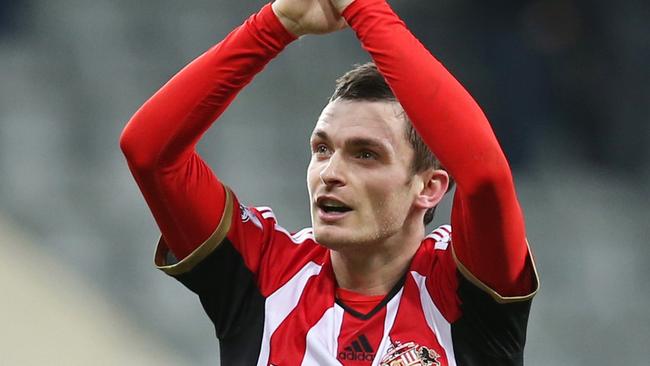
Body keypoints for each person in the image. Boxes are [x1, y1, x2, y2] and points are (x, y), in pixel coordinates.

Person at [120, 0, 539, 364]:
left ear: (429, 188)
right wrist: (275, 25)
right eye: (322, 149)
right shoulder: (265, 274)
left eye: (366, 154)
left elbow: (484, 176)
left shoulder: (463, 290)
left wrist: (363, 9)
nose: (330, 173)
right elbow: (149, 152)